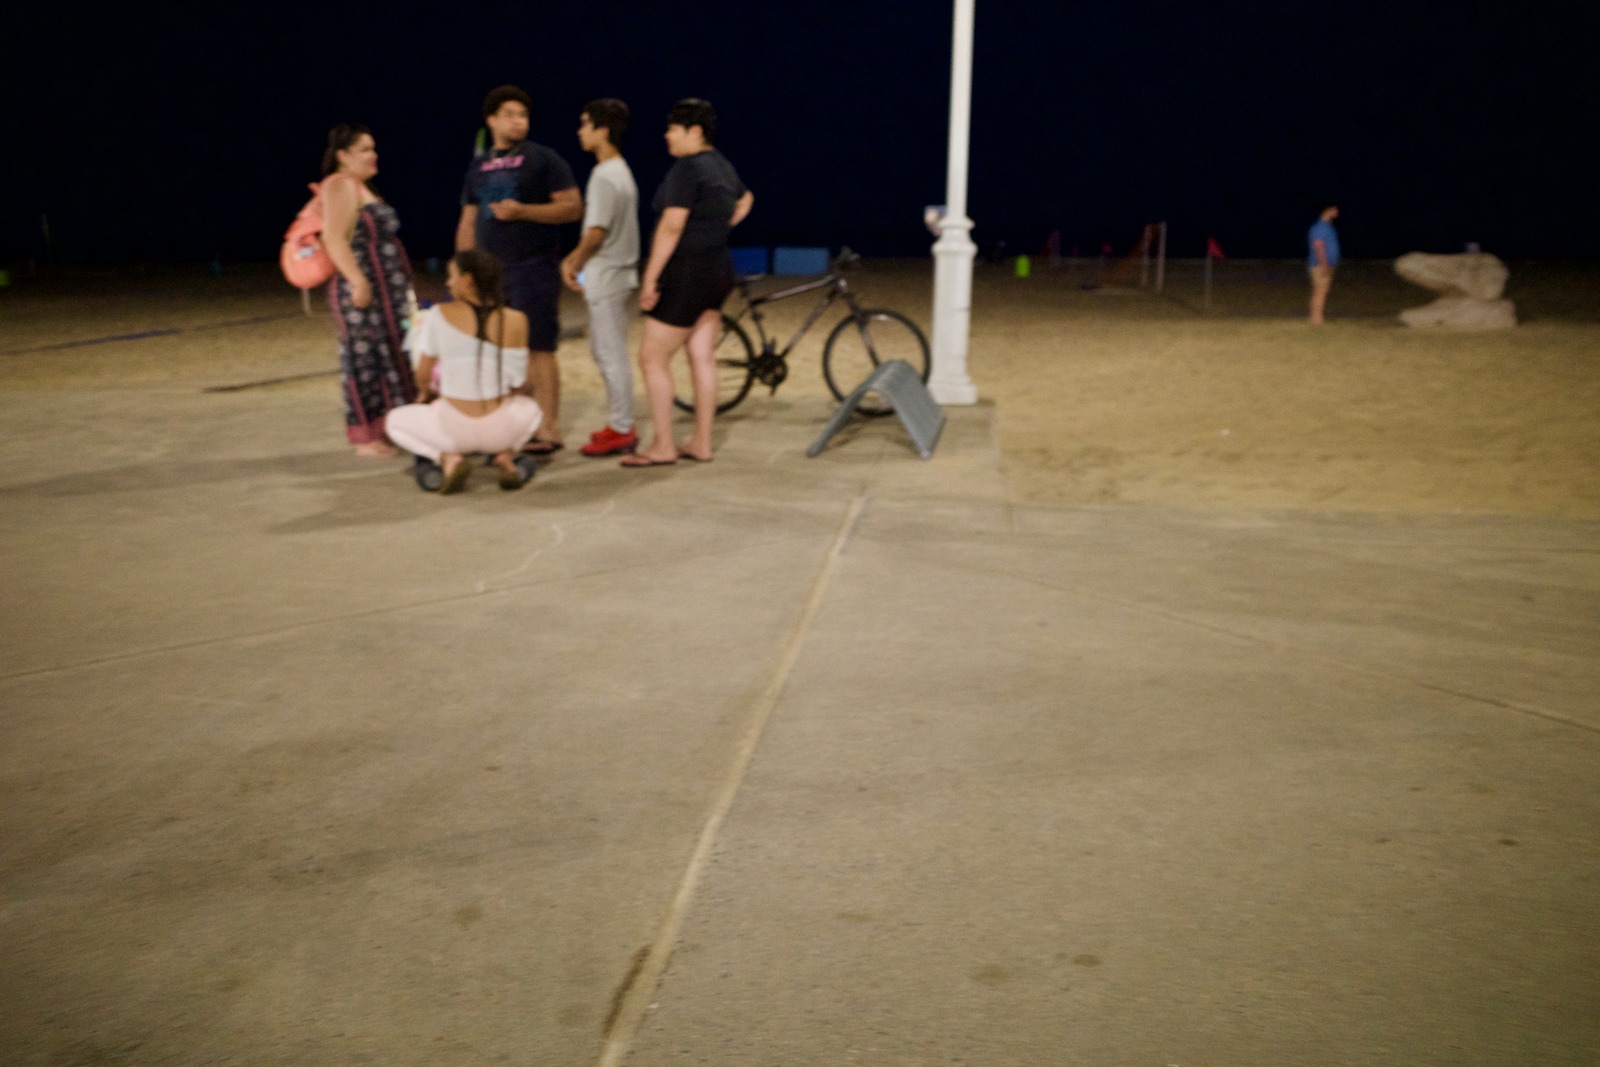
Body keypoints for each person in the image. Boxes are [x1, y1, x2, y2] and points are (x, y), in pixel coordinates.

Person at [622, 98, 753, 468]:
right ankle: (702, 442)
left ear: (694, 132)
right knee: (701, 356)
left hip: (686, 272)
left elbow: (672, 224)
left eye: (672, 129)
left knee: (652, 358)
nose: (666, 136)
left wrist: (650, 278)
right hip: (718, 268)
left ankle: (663, 445)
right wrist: (718, 226)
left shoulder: (687, 168)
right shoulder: (722, 166)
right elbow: (747, 200)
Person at [456, 85, 581, 453]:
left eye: (523, 115)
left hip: (533, 269)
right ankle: (511, 427)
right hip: (490, 276)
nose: (518, 121)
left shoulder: (543, 159)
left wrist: (524, 211)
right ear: (491, 120)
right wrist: (463, 273)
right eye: (509, 114)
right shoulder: (477, 167)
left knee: (539, 349)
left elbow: (572, 207)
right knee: (501, 353)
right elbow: (466, 222)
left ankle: (549, 428)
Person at [385, 250, 543, 494]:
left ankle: (446, 458)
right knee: (532, 409)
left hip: (453, 431)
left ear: (467, 280)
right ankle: (506, 456)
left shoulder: (439, 314)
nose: (448, 283)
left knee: (394, 421)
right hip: (499, 431)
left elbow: (423, 375)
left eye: (451, 276)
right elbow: (520, 382)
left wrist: (427, 393)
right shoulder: (516, 320)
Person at [320, 123, 418, 456]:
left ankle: (391, 428)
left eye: (373, 148)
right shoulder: (341, 185)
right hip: (363, 290)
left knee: (390, 354)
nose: (372, 155)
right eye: (363, 149)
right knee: (365, 360)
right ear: (342, 156)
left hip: (386, 292)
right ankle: (368, 437)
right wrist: (358, 281)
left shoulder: (362, 188)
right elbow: (333, 238)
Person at [560, 98, 641, 458]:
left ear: (602, 130)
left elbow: (596, 232)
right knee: (606, 350)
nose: (580, 131)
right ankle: (619, 423)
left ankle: (622, 428)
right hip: (614, 273)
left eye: (585, 124)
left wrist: (573, 261)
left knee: (611, 354)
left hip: (608, 274)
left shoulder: (605, 175)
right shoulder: (621, 171)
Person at [1307, 203, 1341, 325]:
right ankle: (1316, 319)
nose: (1337, 212)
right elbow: (1318, 246)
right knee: (1319, 291)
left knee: (1323, 290)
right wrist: (1324, 265)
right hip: (1320, 265)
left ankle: (1317, 317)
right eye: (1335, 209)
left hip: (1328, 264)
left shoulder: (1328, 226)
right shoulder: (1320, 227)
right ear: (1328, 210)